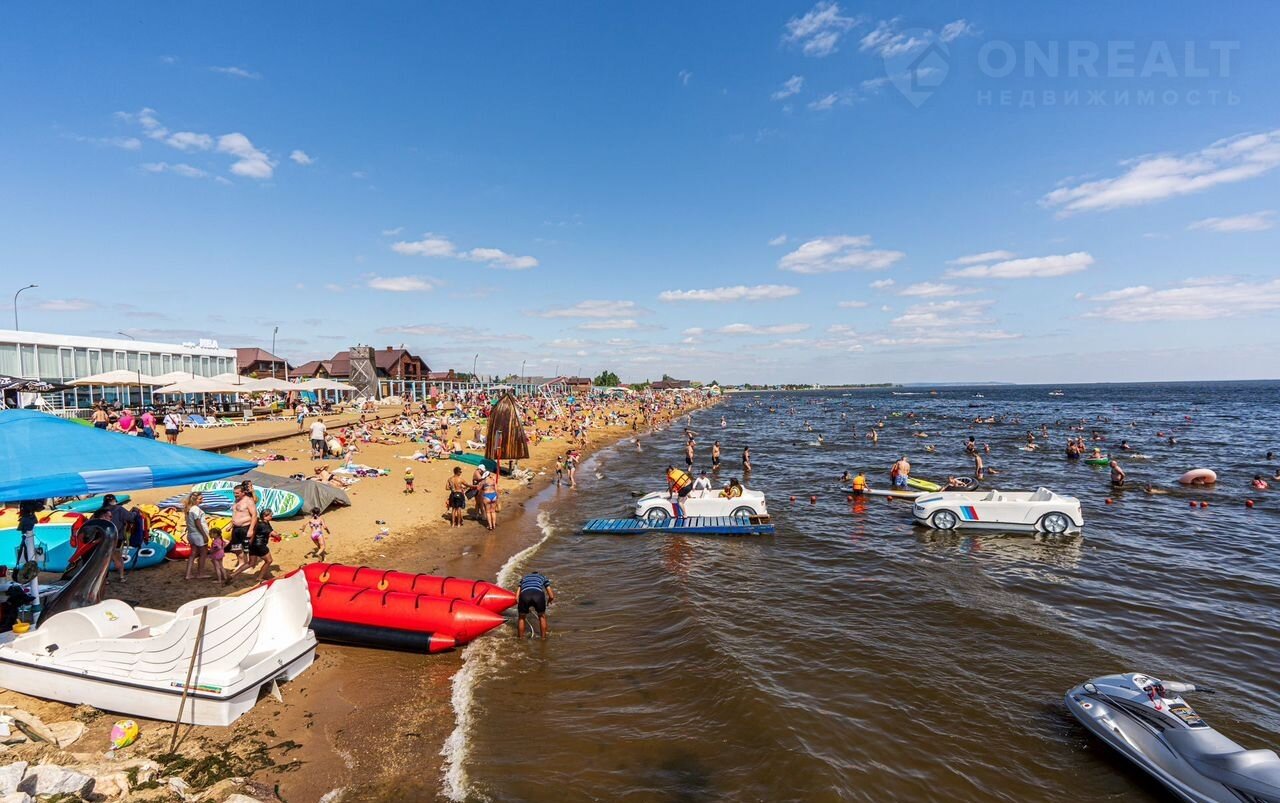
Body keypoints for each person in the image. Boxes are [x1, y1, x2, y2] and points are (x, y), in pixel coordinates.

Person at [517, 571, 555, 640]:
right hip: (538, 595)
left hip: (525, 595)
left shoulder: (524, 578)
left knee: (521, 618)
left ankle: (520, 638)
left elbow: (516, 597)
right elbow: (551, 596)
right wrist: (549, 601)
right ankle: (543, 638)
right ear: (537, 574)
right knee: (542, 616)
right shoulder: (542, 577)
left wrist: (522, 605)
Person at [183, 492, 211, 580]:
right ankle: (200, 573)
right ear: (195, 500)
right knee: (203, 554)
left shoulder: (188, 509)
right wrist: (204, 535)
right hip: (198, 535)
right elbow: (198, 523)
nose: (202, 500)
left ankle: (188, 574)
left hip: (191, 534)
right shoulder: (196, 509)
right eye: (200, 499)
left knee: (193, 554)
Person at [229, 484, 257, 567]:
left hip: (245, 527)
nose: (235, 495)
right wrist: (231, 525)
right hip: (236, 527)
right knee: (236, 547)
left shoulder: (249, 501)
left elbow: (254, 515)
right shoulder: (236, 500)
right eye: (234, 493)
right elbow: (235, 513)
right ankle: (241, 563)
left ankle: (249, 564)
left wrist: (251, 529)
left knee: (247, 548)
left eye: (237, 493)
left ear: (243, 492)